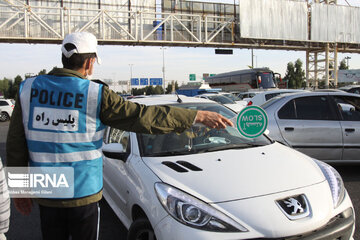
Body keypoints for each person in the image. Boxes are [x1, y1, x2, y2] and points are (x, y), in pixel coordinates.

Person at [6, 32, 233, 240]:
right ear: (89, 62)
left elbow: (15, 144)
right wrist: (195, 117)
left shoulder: (28, 89)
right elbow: (144, 117)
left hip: (48, 189)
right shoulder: (95, 94)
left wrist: (20, 191)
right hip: (82, 190)